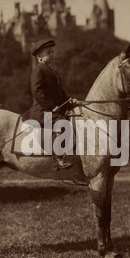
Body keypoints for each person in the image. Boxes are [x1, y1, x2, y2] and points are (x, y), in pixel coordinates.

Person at [26, 38, 74, 171]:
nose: (53, 54)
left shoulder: (51, 71)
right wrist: (51, 107)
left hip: (50, 110)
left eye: (53, 52)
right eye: (49, 52)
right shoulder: (38, 71)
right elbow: (37, 91)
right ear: (39, 57)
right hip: (42, 112)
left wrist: (70, 102)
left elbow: (60, 94)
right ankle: (57, 159)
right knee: (63, 125)